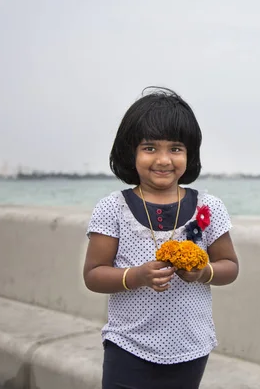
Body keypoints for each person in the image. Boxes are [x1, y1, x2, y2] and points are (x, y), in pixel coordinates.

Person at [83, 86, 239, 389]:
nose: (164, 160)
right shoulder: (112, 208)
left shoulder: (209, 207)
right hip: (127, 345)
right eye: (150, 148)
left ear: (189, 153)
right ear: (131, 152)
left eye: (175, 149)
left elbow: (230, 266)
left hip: (189, 348)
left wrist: (203, 272)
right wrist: (137, 275)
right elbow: (93, 274)